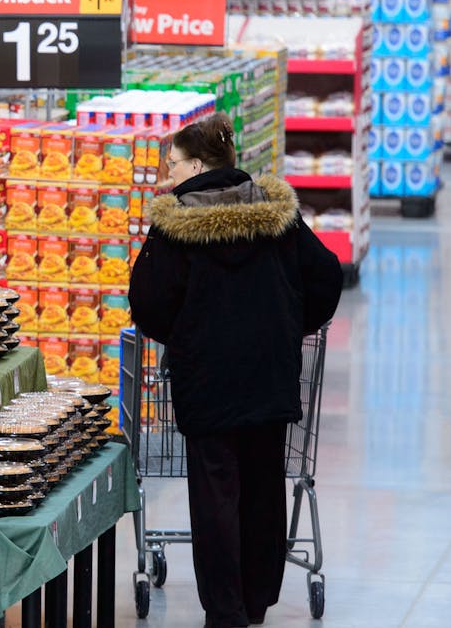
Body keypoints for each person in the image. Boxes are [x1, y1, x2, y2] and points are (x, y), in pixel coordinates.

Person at [129, 115, 342, 628]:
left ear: (197, 165)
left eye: (173, 163)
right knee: (265, 484)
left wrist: (186, 336)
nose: (167, 174)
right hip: (270, 375)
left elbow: (148, 303)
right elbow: (327, 276)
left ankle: (224, 611)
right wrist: (288, 326)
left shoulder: (175, 226)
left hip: (208, 382)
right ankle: (257, 599)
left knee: (215, 493)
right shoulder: (277, 214)